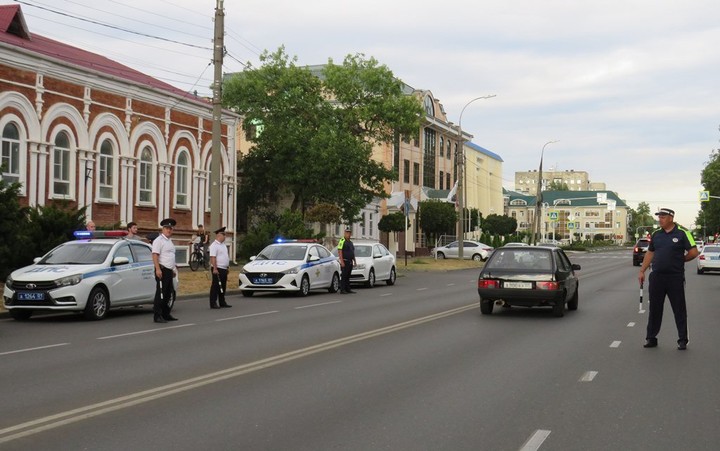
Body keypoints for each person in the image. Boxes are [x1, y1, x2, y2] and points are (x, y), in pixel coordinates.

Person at [638, 208, 698, 350]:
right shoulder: (656, 234)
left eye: (663, 217)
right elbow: (650, 253)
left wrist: (680, 259)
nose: (660, 219)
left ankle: (682, 339)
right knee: (655, 309)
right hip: (657, 277)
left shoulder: (683, 233)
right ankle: (651, 338)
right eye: (659, 217)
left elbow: (694, 252)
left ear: (671, 218)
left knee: (679, 309)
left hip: (674, 277)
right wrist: (642, 270)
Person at [152, 218, 179, 323]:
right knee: (161, 293)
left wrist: (172, 269)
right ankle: (157, 315)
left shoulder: (169, 241)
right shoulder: (159, 241)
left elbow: (170, 256)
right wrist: (158, 269)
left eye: (171, 228)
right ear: (163, 229)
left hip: (169, 270)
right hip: (162, 269)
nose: (169, 230)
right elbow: (155, 255)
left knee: (168, 293)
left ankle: (166, 313)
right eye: (167, 228)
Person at [209, 226, 231, 309]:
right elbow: (213, 257)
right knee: (216, 286)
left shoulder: (223, 245)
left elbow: (225, 256)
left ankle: (222, 302)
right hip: (217, 268)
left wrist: (227, 267)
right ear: (219, 235)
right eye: (223, 235)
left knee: (223, 286)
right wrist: (214, 268)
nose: (225, 236)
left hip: (224, 268)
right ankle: (213, 303)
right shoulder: (214, 245)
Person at [337, 227, 356, 294]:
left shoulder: (350, 242)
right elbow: (340, 251)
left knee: (348, 276)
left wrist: (354, 261)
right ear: (345, 233)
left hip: (350, 261)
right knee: (344, 276)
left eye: (349, 233)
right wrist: (341, 261)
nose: (348, 234)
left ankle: (348, 289)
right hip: (345, 260)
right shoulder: (342, 241)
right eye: (347, 232)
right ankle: (342, 289)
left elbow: (352, 252)